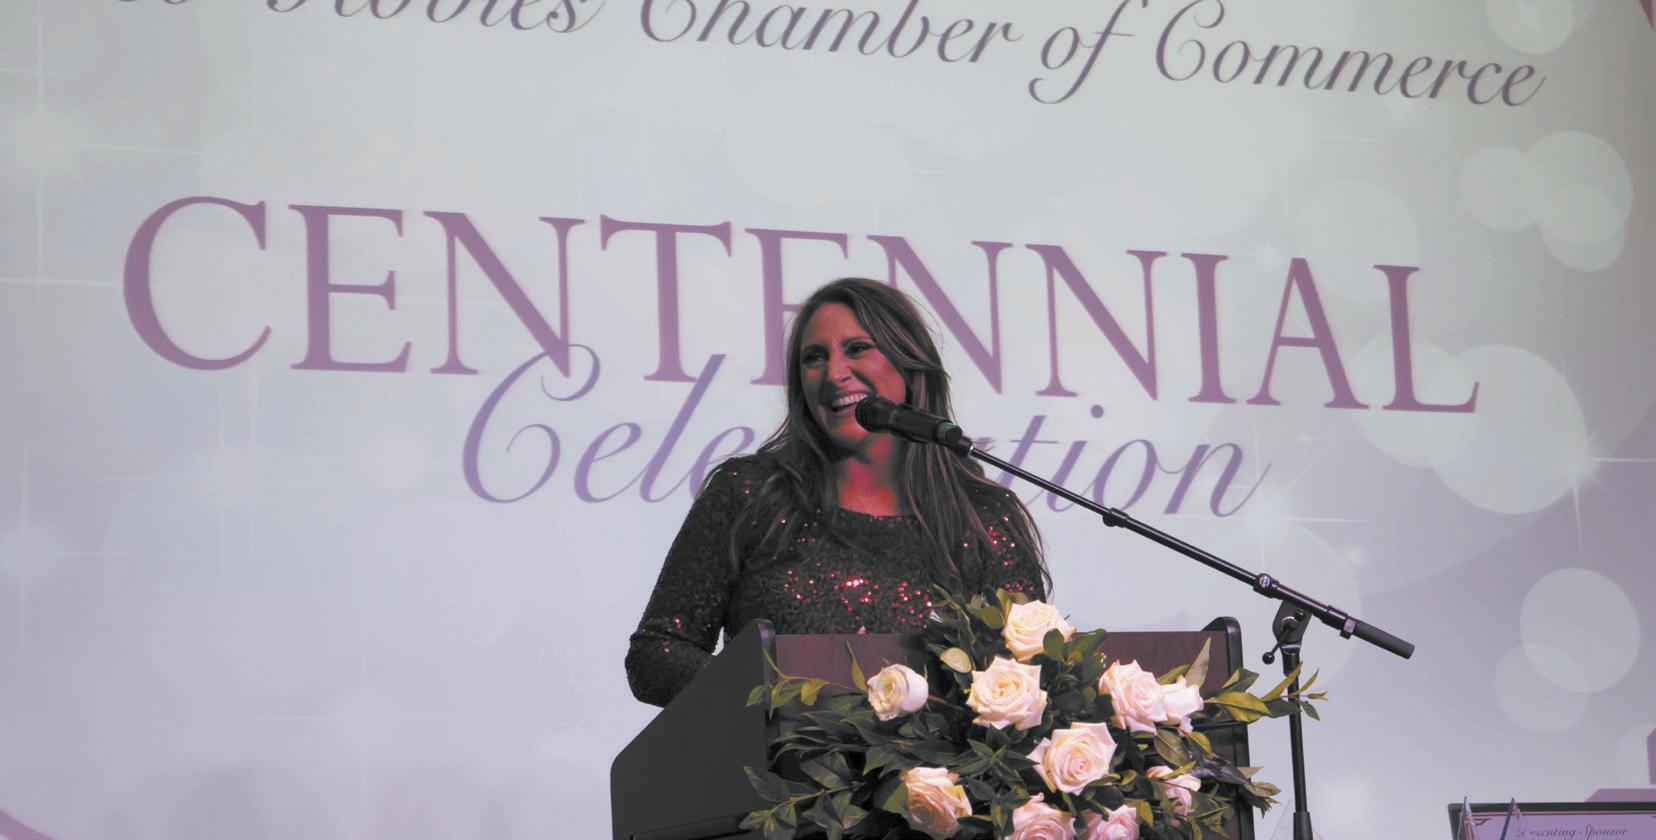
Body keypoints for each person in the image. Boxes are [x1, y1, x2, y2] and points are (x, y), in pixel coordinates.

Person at [624, 278, 1051, 707]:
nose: (833, 374)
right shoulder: (752, 493)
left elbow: (1036, 678)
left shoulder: (982, 516)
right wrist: (769, 698)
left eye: (858, 348)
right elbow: (656, 655)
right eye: (814, 358)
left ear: (910, 364)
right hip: (771, 750)